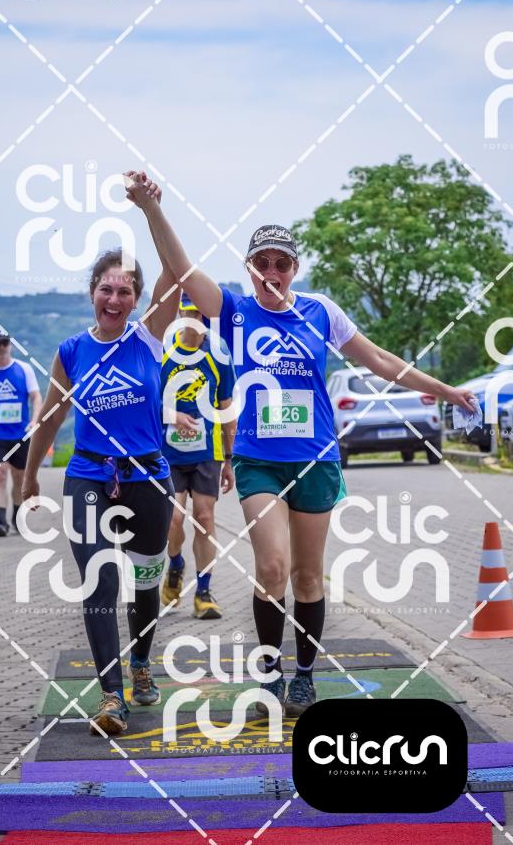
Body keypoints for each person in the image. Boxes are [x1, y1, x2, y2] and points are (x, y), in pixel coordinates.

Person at [124, 171, 476, 718]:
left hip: (315, 460)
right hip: (259, 461)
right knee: (272, 568)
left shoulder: (320, 311)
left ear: (295, 268)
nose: (271, 273)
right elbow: (183, 268)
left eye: (281, 264)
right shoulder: (233, 311)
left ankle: (305, 677)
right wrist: (151, 208)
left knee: (308, 576)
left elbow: (380, 360)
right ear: (249, 268)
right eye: (261, 263)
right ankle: (269, 676)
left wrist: (445, 389)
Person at [21, 234, 179, 736]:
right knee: (100, 581)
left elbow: (176, 271)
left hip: (148, 478)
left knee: (145, 583)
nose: (114, 300)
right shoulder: (71, 351)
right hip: (89, 476)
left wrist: (151, 210)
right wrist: (30, 476)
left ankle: (141, 664)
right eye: (106, 289)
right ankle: (112, 694)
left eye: (125, 291)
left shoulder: (149, 337)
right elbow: (50, 418)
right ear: (92, 292)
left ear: (137, 299)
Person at [160, 292, 237, 620]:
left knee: (204, 518)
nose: (194, 321)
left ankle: (204, 592)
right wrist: (173, 415)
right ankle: (175, 564)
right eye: (188, 313)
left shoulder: (218, 352)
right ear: (179, 313)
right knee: (173, 519)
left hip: (208, 450)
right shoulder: (163, 350)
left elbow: (226, 405)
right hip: (169, 451)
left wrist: (230, 459)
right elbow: (148, 401)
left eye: (199, 314)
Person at [0, 331, 42, 537]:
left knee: (19, 477)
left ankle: (16, 517)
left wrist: (34, 419)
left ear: (10, 345)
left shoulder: (24, 369)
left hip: (20, 433)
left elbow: (36, 397)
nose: (2, 347)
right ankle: (2, 522)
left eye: (5, 343)